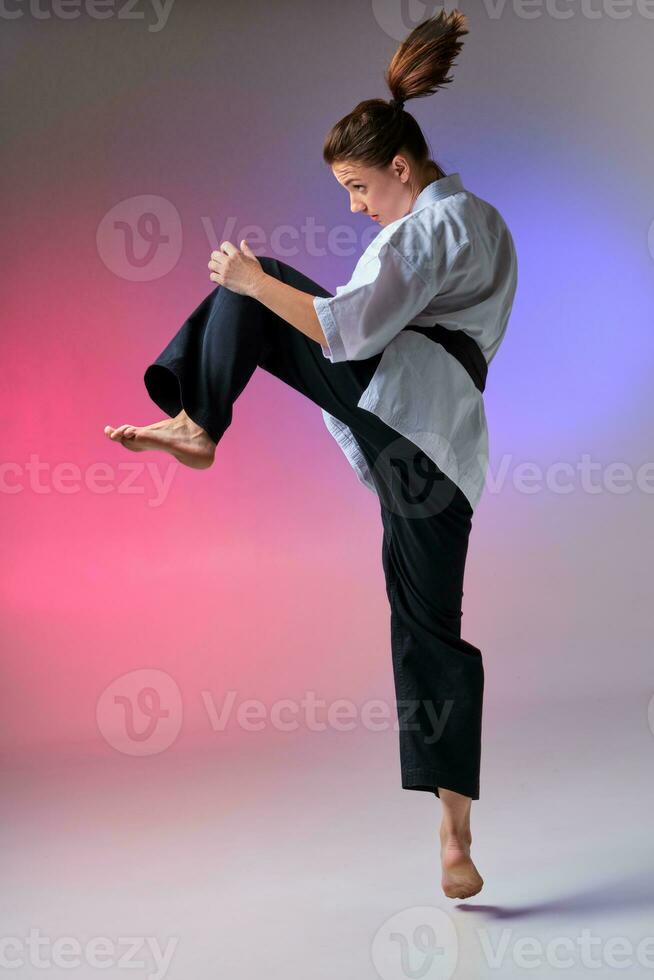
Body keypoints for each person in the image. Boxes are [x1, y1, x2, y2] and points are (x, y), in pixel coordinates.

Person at [104, 9, 517, 900]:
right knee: (429, 634)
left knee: (263, 286)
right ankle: (455, 840)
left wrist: (251, 282)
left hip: (404, 407)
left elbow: (348, 328)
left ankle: (200, 424)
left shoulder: (427, 228)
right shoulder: (485, 225)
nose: (357, 207)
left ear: (400, 168)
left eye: (359, 187)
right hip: (444, 462)